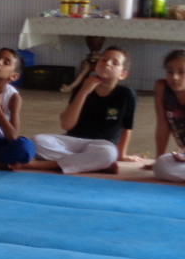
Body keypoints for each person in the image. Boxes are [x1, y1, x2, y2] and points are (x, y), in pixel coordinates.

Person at [30, 46, 141, 174]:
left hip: (102, 144)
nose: (107, 64)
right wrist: (84, 91)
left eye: (114, 63)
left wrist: (122, 155)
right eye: (103, 60)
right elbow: (67, 124)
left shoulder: (127, 94)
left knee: (108, 154)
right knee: (37, 141)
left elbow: (127, 127)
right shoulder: (82, 87)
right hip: (73, 141)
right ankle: (93, 164)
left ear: (123, 74)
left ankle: (50, 164)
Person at [152, 49, 185, 182]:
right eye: (170, 71)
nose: (174, 77)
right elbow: (162, 124)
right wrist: (158, 158)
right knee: (161, 166)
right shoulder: (162, 87)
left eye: (182, 72)